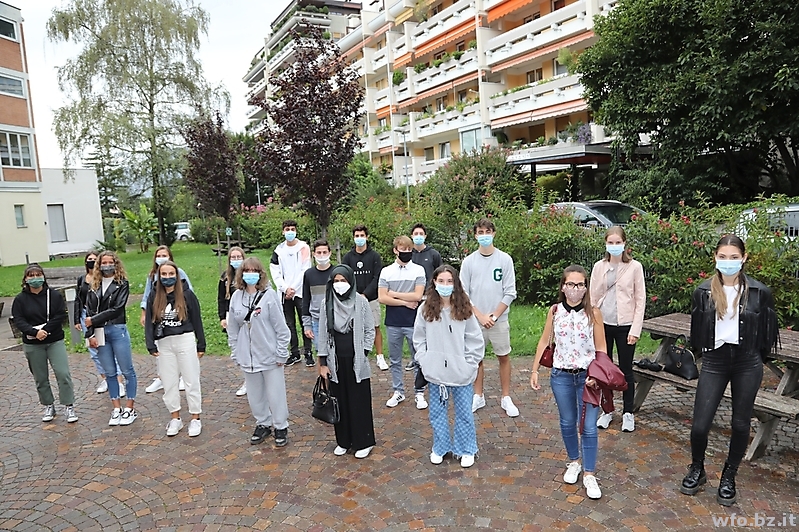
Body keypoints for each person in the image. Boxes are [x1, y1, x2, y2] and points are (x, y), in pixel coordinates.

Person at [680, 234, 778, 506]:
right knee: (700, 425)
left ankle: (729, 475)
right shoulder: (703, 292)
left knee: (740, 423)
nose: (728, 262)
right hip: (715, 361)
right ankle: (697, 468)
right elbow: (697, 332)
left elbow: (768, 334)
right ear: (715, 257)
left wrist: (755, 357)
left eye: (734, 257)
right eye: (723, 257)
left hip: (747, 362)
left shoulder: (759, 292)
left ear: (744, 258)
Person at [530, 265, 607, 500]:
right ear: (563, 287)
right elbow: (544, 340)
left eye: (580, 284)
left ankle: (590, 473)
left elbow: (601, 348)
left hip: (588, 378)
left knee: (589, 426)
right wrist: (534, 369)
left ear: (586, 287)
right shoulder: (555, 311)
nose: (575, 288)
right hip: (561, 375)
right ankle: (574, 461)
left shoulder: (594, 313)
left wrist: (597, 374)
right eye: (571, 284)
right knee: (567, 421)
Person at [413, 265, 484, 468]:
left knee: (464, 413)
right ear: (434, 282)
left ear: (456, 284)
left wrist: (469, 364)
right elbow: (419, 338)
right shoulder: (425, 309)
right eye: (441, 281)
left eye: (450, 281)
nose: (445, 285)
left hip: (461, 373)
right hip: (436, 373)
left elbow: (475, 339)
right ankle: (440, 447)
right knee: (437, 413)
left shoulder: (464, 309)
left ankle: (466, 449)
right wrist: (425, 360)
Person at [228, 257, 291, 447]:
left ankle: (280, 425)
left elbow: (281, 328)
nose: (250, 274)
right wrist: (235, 351)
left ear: (260, 273)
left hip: (269, 354)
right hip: (247, 356)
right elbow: (233, 328)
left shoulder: (269, 296)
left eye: (254, 271)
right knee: (255, 394)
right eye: (246, 271)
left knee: (275, 393)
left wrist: (281, 352)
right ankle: (263, 422)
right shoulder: (236, 297)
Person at [459, 218, 519, 417]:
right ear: (475, 235)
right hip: (476, 320)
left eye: (487, 232)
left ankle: (506, 397)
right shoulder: (469, 262)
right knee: (476, 358)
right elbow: (463, 293)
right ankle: (478, 395)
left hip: (498, 319)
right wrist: (480, 316)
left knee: (503, 356)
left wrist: (493, 316)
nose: (484, 235)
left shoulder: (505, 259)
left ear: (493, 233)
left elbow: (510, 292)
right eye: (480, 232)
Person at [317, 264, 376, 458]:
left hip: (356, 361)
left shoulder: (361, 302)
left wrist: (364, 352)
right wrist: (323, 363)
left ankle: (363, 442)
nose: (339, 284)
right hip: (335, 361)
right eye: (336, 281)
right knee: (339, 401)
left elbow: (369, 329)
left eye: (343, 281)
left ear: (351, 282)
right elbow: (323, 334)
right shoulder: (327, 303)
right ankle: (343, 440)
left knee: (359, 402)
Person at [590, 226, 646, 432]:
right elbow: (593, 296)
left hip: (626, 325)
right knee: (604, 368)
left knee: (625, 369)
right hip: (603, 324)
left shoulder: (634, 267)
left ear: (624, 244)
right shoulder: (599, 267)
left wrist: (635, 329)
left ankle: (628, 412)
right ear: (606, 244)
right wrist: (591, 323)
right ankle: (607, 410)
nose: (614, 246)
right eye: (610, 242)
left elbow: (640, 299)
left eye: (618, 242)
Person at [145, 260, 206, 437]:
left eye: (171, 274)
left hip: (184, 339)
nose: (167, 277)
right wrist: (150, 343)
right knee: (169, 381)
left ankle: (195, 418)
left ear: (177, 275)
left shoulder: (187, 294)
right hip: (165, 343)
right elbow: (149, 321)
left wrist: (201, 343)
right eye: (164, 274)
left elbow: (197, 319)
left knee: (191, 379)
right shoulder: (154, 295)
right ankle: (175, 417)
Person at [12, 264, 78, 423]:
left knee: (63, 373)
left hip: (54, 340)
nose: (35, 278)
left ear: (43, 277)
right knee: (40, 377)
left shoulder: (53, 295)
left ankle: (68, 405)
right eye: (31, 276)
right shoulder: (20, 300)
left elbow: (60, 315)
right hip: (33, 343)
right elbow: (19, 320)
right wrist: (34, 332)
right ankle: (48, 405)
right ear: (25, 279)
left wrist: (45, 330)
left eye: (38, 275)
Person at [85, 251, 138, 426]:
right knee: (109, 372)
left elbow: (117, 308)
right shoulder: (94, 285)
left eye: (110, 262)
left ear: (116, 264)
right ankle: (116, 408)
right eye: (104, 262)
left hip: (117, 329)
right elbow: (89, 311)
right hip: (99, 332)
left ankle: (129, 407)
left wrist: (93, 320)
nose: (107, 265)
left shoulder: (122, 284)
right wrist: (90, 333)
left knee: (127, 370)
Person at [378, 236, 426, 407]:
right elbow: (382, 298)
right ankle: (398, 391)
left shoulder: (418, 270)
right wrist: (405, 302)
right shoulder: (386, 271)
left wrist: (393, 294)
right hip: (393, 322)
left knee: (418, 358)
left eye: (409, 249)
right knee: (395, 360)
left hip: (414, 322)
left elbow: (418, 296)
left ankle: (419, 392)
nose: (406, 252)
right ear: (395, 250)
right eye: (403, 249)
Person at [140, 245, 193, 394]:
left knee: (180, 349)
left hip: (176, 317)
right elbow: (147, 295)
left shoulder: (179, 272)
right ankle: (161, 378)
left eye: (164, 255)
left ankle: (181, 376)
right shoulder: (152, 275)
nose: (161, 258)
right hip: (159, 318)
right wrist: (144, 313)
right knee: (161, 350)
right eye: (159, 255)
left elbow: (189, 291)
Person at [74, 251, 123, 395]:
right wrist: (77, 319)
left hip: (103, 315)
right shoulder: (82, 279)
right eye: (89, 259)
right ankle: (105, 379)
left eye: (95, 259)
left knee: (110, 349)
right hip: (86, 315)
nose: (92, 261)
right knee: (94, 350)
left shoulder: (103, 279)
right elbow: (78, 299)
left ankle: (119, 382)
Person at [407, 223, 444, 410]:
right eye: (415, 233)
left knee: (434, 341)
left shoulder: (433, 254)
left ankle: (437, 378)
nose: (418, 236)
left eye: (421, 233)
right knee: (417, 339)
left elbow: (441, 275)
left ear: (426, 236)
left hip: (431, 302)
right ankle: (419, 381)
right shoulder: (409, 255)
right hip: (413, 302)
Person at [342, 224, 387, 370]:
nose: (359, 238)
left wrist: (365, 294)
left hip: (371, 298)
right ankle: (357, 356)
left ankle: (380, 357)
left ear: (367, 237)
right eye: (357, 236)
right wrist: (355, 295)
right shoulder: (348, 257)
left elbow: (377, 277)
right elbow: (345, 277)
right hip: (352, 299)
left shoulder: (374, 256)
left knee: (375, 327)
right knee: (353, 328)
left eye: (362, 235)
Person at [269, 219, 312, 367]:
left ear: (296, 231)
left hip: (300, 292)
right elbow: (275, 271)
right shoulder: (278, 250)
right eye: (287, 229)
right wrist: (284, 288)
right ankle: (294, 353)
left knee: (305, 321)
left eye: (292, 229)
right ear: (283, 232)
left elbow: (305, 269)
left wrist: (293, 288)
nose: (290, 232)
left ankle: (308, 352)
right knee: (289, 324)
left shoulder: (303, 247)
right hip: (284, 294)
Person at [218, 246, 248, 396]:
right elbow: (221, 299)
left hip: (247, 315)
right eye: (233, 257)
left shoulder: (248, 274)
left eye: (238, 257)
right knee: (237, 348)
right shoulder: (225, 277)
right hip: (232, 315)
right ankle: (246, 379)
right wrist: (222, 317)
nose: (236, 260)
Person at [302, 239, 333, 363]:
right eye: (319, 253)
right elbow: (306, 300)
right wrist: (307, 325)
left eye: (324, 252)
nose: (322, 255)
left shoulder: (336, 272)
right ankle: (323, 376)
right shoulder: (309, 274)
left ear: (330, 253)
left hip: (335, 320)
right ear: (313, 254)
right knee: (321, 355)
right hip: (317, 321)